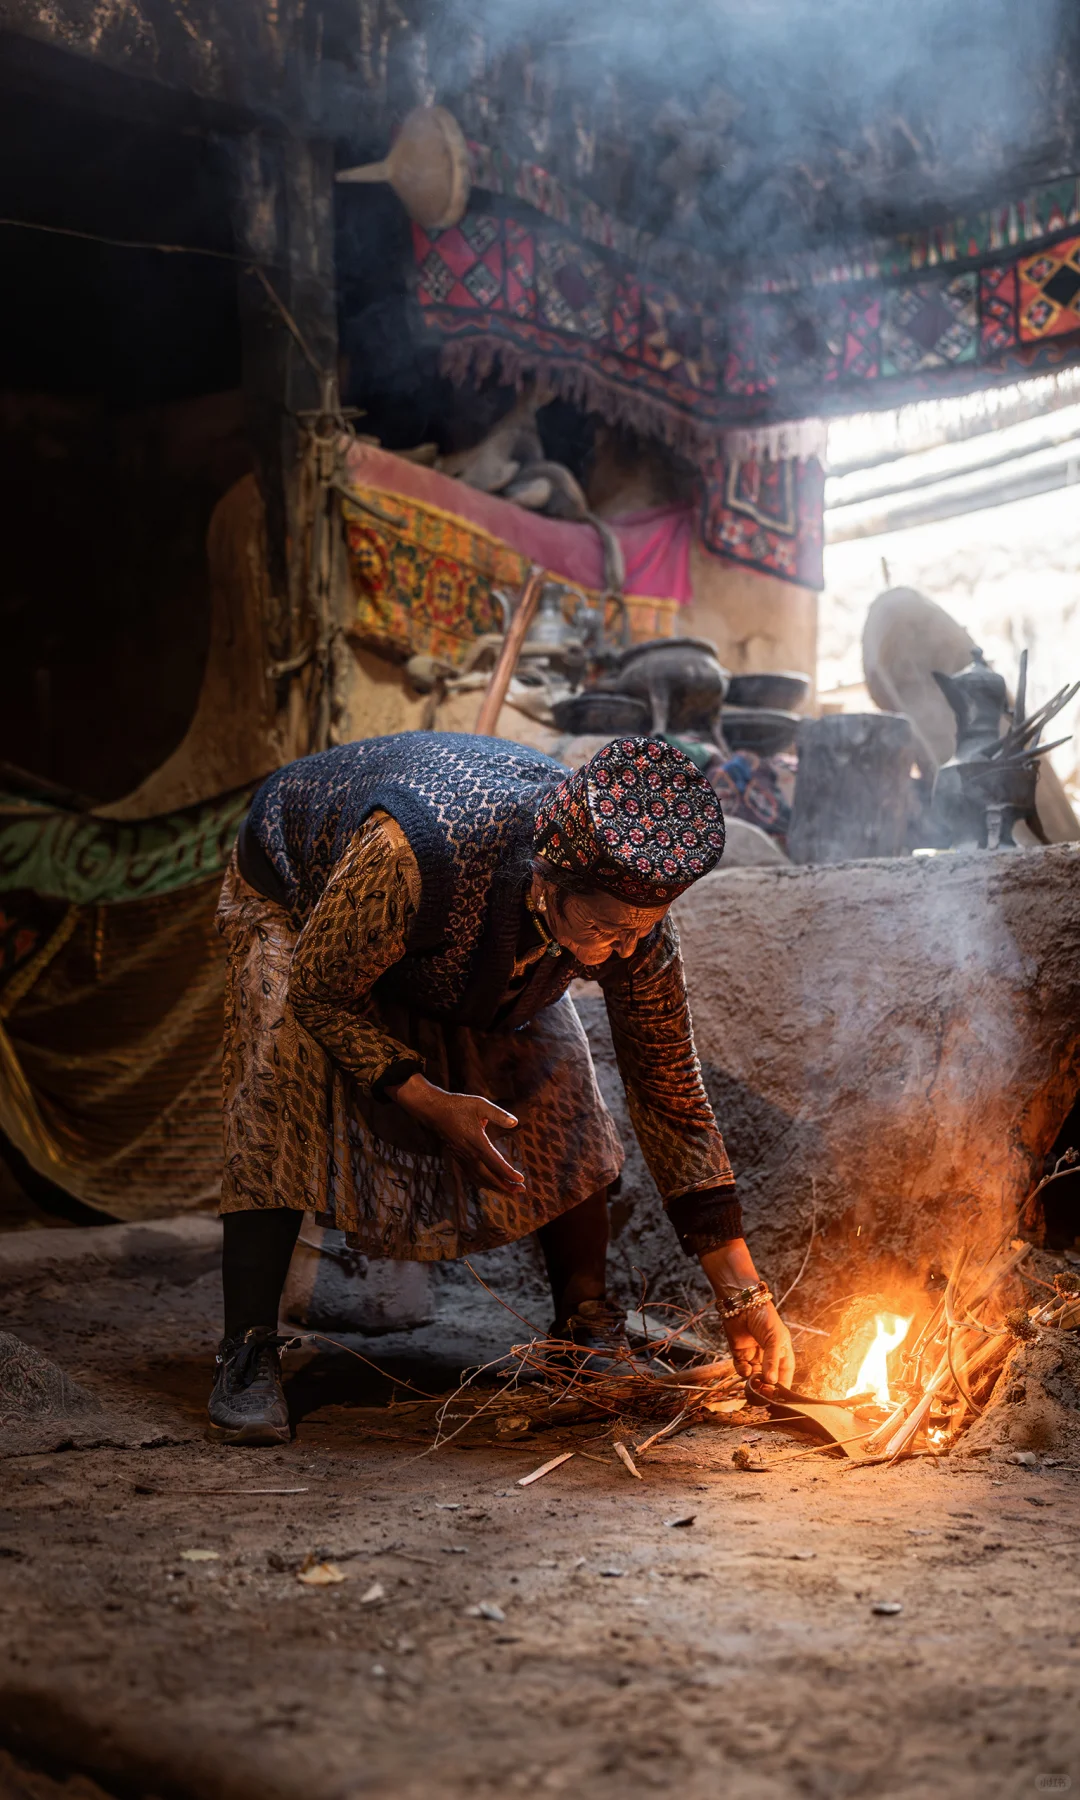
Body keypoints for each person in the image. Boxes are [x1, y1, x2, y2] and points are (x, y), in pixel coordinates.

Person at [209, 731, 795, 1443]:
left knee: (562, 1082)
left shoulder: (628, 917)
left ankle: (582, 1327)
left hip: (452, 925)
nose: (628, 948)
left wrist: (743, 1296)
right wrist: (424, 1098)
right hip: (299, 896)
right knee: (282, 1074)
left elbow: (669, 1088)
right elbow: (321, 994)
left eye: (642, 927)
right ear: (547, 882)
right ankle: (246, 1349)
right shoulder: (411, 855)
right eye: (606, 927)